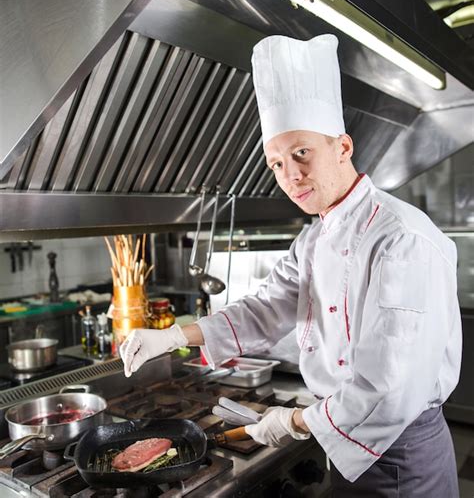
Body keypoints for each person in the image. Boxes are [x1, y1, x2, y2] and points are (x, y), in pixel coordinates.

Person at [120, 34, 462, 496]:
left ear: (343, 147)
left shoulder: (401, 237)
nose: (291, 175)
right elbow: (267, 307)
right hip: (345, 436)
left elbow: (390, 386)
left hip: (400, 452)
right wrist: (175, 336)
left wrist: (295, 422)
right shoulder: (315, 236)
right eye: (277, 163)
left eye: (302, 153)